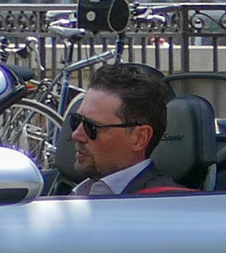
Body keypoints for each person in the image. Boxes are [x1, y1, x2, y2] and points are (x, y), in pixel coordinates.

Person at [67, 64, 190, 196]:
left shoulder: (166, 207)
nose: (76, 135)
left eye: (91, 127)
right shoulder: (55, 188)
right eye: (76, 120)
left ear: (140, 138)